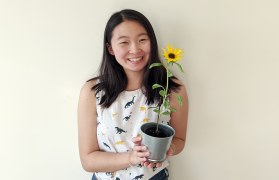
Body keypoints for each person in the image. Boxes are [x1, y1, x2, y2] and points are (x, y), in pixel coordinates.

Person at [78, 9, 188, 180]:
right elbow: (88, 160)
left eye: (142, 40)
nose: (135, 49)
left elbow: (179, 139)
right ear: (111, 48)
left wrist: (169, 148)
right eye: (124, 42)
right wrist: (130, 158)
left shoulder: (172, 89)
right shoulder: (93, 92)